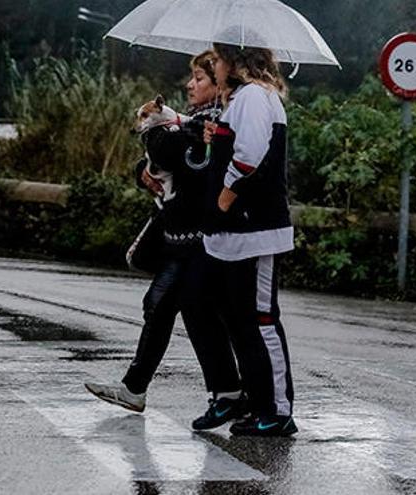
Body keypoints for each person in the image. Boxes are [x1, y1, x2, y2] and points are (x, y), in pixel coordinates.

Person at [85, 51, 246, 431]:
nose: (190, 85)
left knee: (185, 310)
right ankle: (212, 392)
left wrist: (154, 145)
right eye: (191, 78)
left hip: (200, 241)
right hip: (179, 237)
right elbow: (160, 156)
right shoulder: (194, 123)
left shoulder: (215, 122)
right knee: (181, 311)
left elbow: (173, 154)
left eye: (200, 79)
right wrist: (144, 167)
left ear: (220, 82)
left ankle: (229, 394)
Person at [200, 42, 297, 436]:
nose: (215, 66)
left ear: (236, 63)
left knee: (260, 319)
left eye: (218, 60)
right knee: (241, 320)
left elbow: (251, 154)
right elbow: (238, 145)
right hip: (240, 231)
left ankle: (276, 409)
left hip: (255, 229)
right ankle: (258, 402)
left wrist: (225, 194)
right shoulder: (243, 99)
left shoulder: (255, 96)